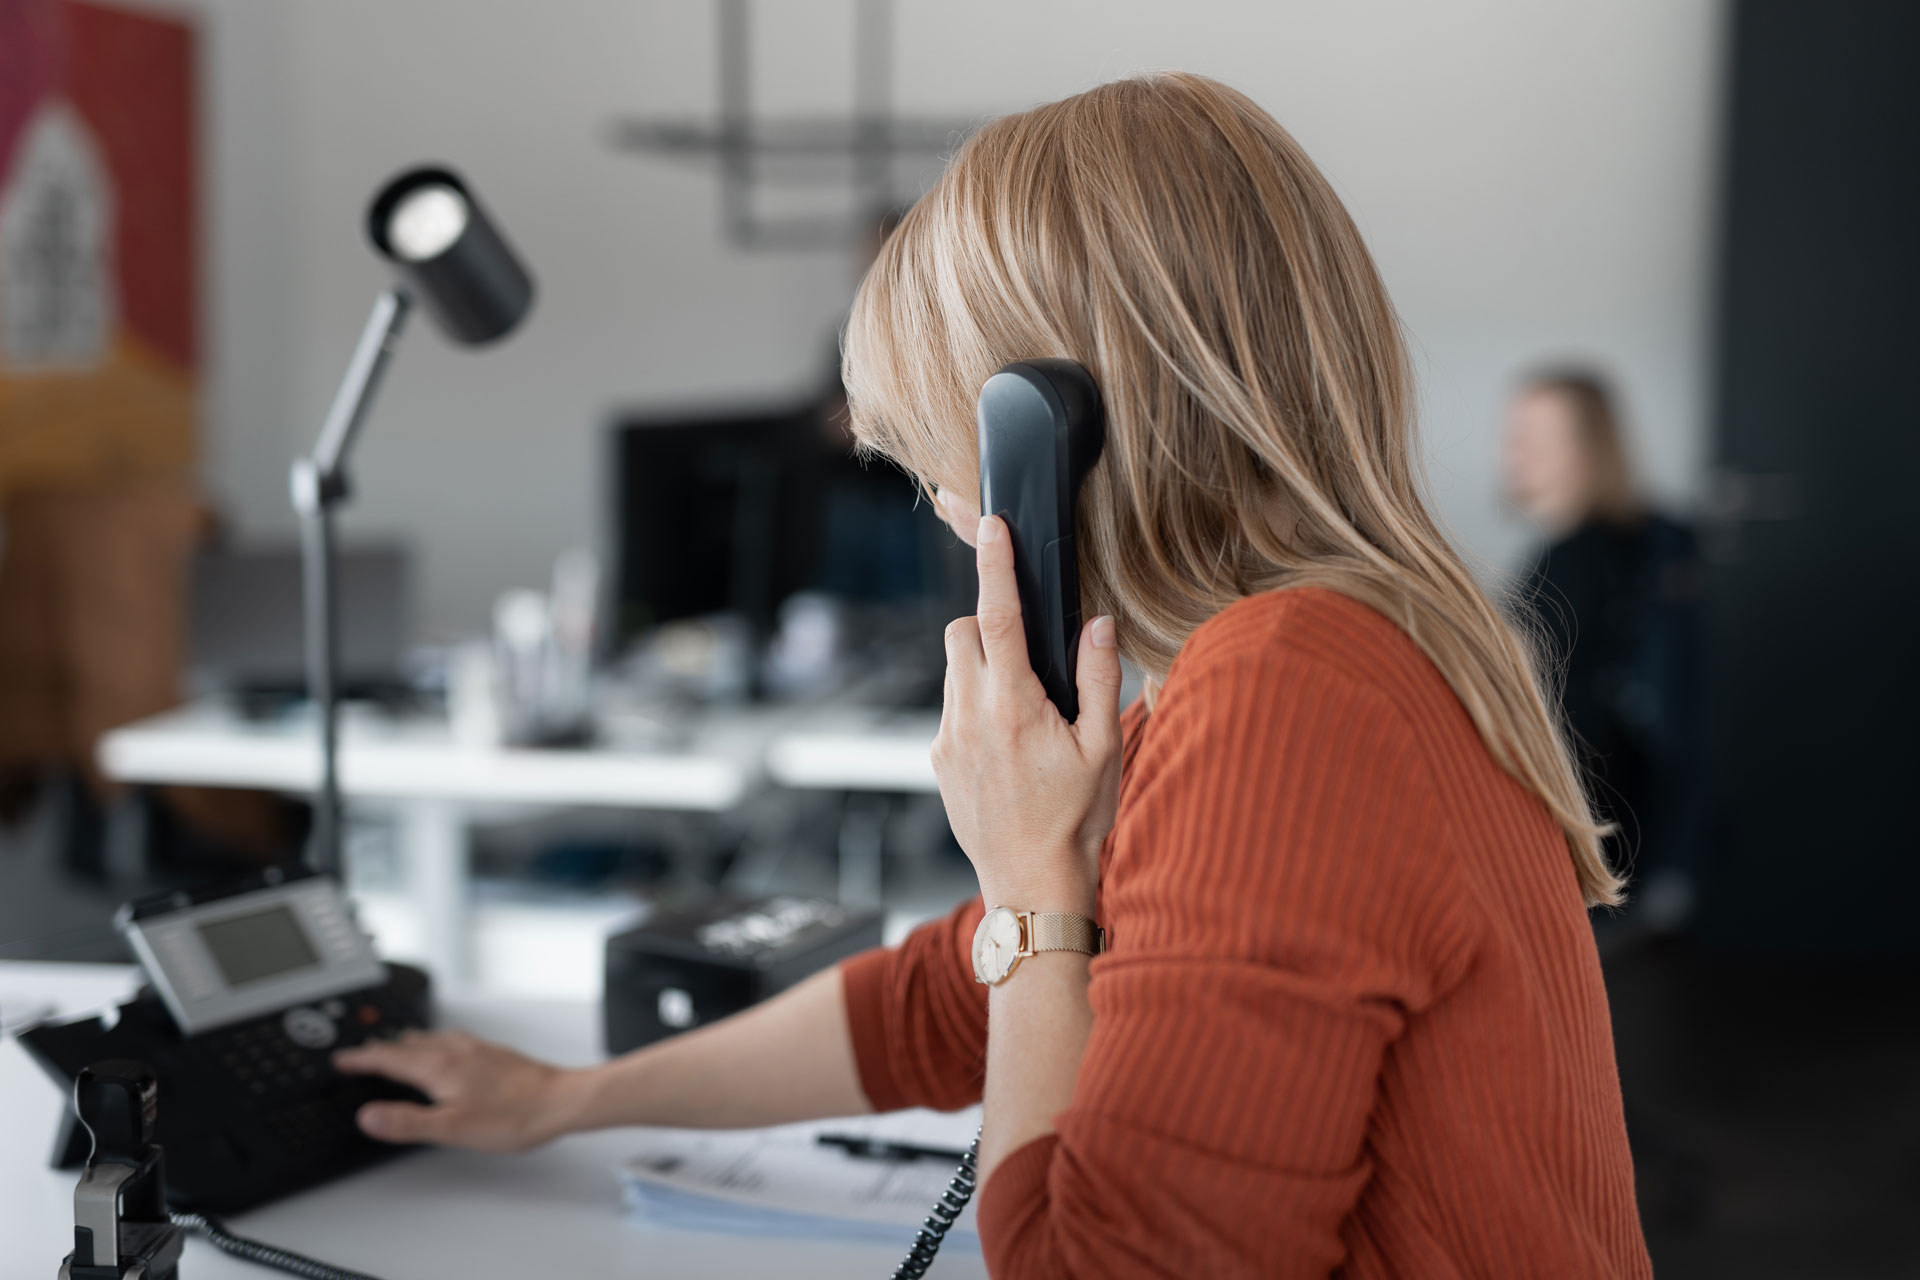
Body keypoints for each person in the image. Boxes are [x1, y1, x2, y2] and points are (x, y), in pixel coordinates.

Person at [335, 74, 1651, 1278]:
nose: (960, 524)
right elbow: (944, 998)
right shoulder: (1341, 650)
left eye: (944, 469)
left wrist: (1029, 877)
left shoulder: (1287, 693)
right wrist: (567, 1099)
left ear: (1053, 437)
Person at [1503, 370, 1710, 932]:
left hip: (1590, 823)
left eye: (1534, 438)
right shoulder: (1624, 544)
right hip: (1628, 815)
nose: (1514, 452)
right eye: (1515, 434)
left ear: (1585, 449)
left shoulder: (1574, 564)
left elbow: (1554, 715)